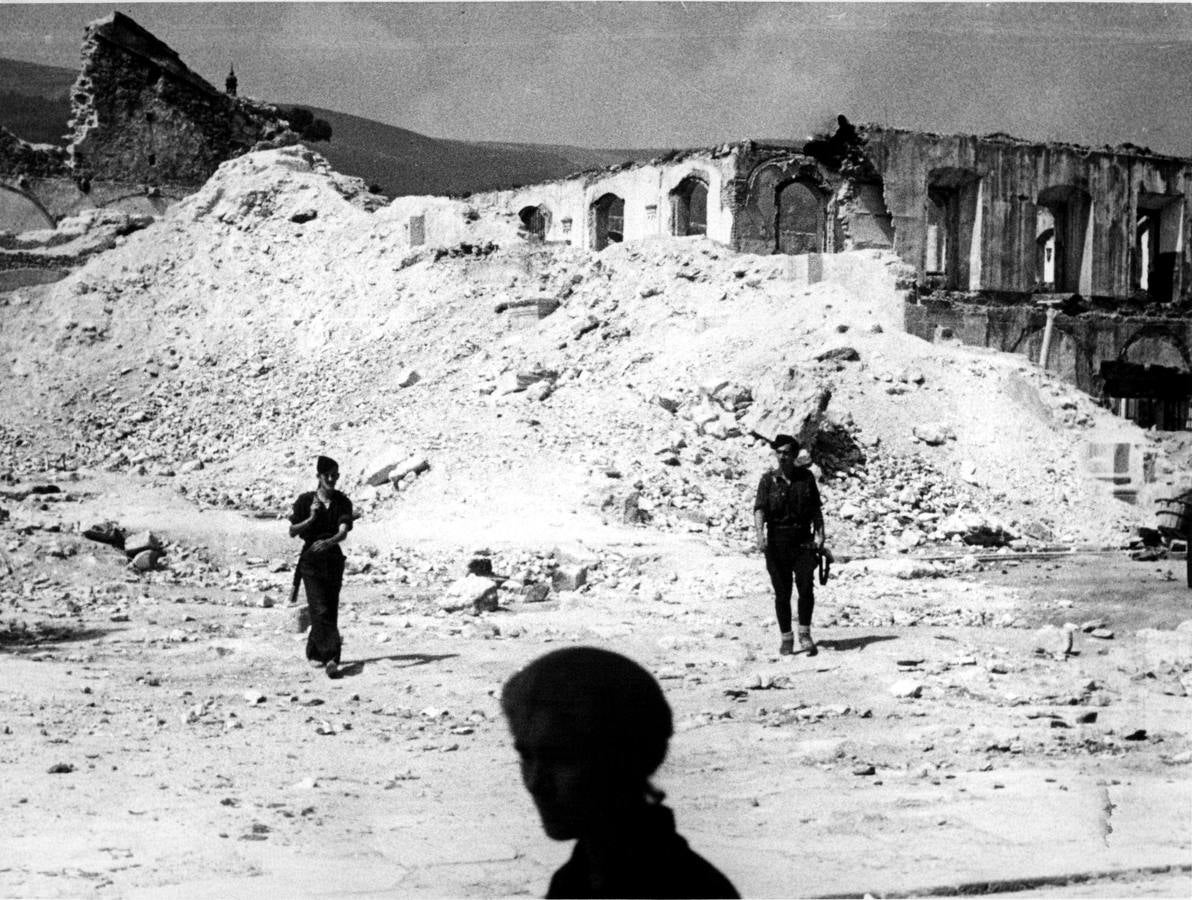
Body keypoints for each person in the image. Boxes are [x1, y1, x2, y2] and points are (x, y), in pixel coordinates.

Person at [501, 646, 739, 899]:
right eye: (527, 756)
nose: (536, 782)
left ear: (624, 758)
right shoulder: (575, 881)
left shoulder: (689, 889)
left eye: (561, 757)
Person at [754, 434, 825, 656]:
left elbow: (816, 509)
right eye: (779, 452)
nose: (783, 456)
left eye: (787, 452)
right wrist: (759, 535)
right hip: (777, 542)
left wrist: (820, 536)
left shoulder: (806, 478)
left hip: (803, 541)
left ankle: (805, 634)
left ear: (794, 455)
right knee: (782, 593)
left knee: (806, 589)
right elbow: (760, 509)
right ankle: (786, 638)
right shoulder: (767, 480)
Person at [289, 455, 354, 678]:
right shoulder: (305, 501)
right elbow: (292, 531)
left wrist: (329, 542)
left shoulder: (342, 502)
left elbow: (343, 531)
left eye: (335, 475)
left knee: (329, 607)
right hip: (311, 563)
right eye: (328, 475)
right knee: (320, 607)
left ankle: (314, 650)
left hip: (333, 560)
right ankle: (331, 659)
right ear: (318, 476)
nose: (332, 479)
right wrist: (311, 517)